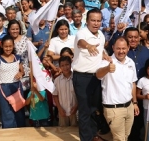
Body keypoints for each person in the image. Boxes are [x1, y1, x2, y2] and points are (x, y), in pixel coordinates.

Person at [72, 8, 107, 141]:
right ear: (87, 21)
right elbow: (81, 43)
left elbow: (100, 50)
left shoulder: (101, 36)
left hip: (96, 77)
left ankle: (93, 135)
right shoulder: (82, 33)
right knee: (85, 110)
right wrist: (88, 46)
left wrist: (105, 56)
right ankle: (86, 138)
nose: (96, 23)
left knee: (94, 108)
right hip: (82, 77)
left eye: (98, 20)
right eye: (93, 20)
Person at [96, 37, 140, 141]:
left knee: (124, 137)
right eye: (118, 48)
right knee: (119, 139)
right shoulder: (106, 62)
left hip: (129, 106)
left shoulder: (131, 62)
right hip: (114, 109)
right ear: (113, 48)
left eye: (123, 48)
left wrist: (134, 103)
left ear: (128, 48)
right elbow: (98, 75)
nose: (121, 51)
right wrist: (107, 69)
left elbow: (133, 83)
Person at [0, 35, 26, 128]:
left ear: (13, 46)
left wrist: (20, 73)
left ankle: (21, 133)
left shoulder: (17, 58)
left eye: (10, 46)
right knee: (7, 113)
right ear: (1, 46)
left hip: (17, 88)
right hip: (3, 89)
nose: (8, 48)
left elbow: (22, 71)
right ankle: (9, 136)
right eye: (6, 46)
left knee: (19, 112)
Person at [53, 56, 78, 127]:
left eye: (67, 64)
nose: (65, 67)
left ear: (71, 64)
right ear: (60, 67)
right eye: (62, 65)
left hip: (75, 111)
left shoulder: (76, 78)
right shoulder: (57, 80)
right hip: (62, 112)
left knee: (75, 132)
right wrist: (59, 108)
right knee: (63, 133)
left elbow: (81, 95)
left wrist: (76, 106)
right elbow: (55, 95)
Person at [8, 20, 30, 92]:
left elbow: (31, 55)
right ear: (9, 30)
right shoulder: (7, 41)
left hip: (26, 73)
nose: (15, 31)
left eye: (17, 29)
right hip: (13, 75)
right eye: (13, 29)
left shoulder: (25, 39)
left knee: (27, 97)